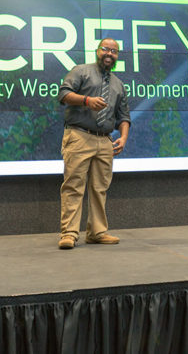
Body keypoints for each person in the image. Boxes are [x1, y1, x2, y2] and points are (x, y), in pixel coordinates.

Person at [56, 37, 131, 250]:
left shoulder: (118, 84)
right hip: (79, 135)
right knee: (74, 185)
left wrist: (123, 137)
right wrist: (87, 101)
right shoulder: (81, 71)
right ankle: (69, 233)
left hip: (105, 140)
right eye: (105, 49)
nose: (109, 54)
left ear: (117, 56)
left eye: (114, 51)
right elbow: (63, 94)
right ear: (97, 51)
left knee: (100, 188)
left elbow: (124, 116)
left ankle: (97, 232)